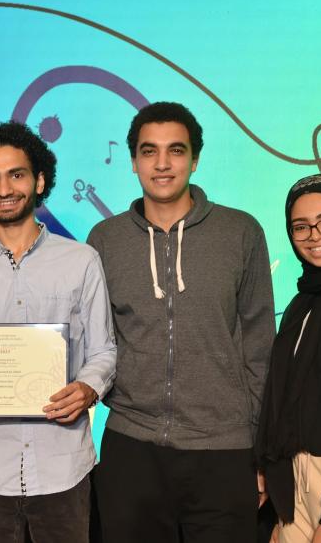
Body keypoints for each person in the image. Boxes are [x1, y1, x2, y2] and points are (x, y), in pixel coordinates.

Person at [87, 101, 276, 543]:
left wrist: (261, 451)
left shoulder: (241, 232)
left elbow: (259, 348)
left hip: (224, 450)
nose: (163, 163)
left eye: (176, 150)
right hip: (131, 447)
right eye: (149, 151)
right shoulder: (105, 240)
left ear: (195, 158)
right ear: (133, 160)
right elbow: (97, 343)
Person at [0, 121, 116, 543]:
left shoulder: (81, 260)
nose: (4, 188)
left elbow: (104, 349)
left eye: (16, 174)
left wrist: (88, 388)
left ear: (39, 180)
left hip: (64, 467)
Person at [257, 174, 321, 543]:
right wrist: (269, 469)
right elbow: (279, 393)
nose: (316, 235)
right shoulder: (302, 301)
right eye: (301, 227)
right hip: (293, 486)